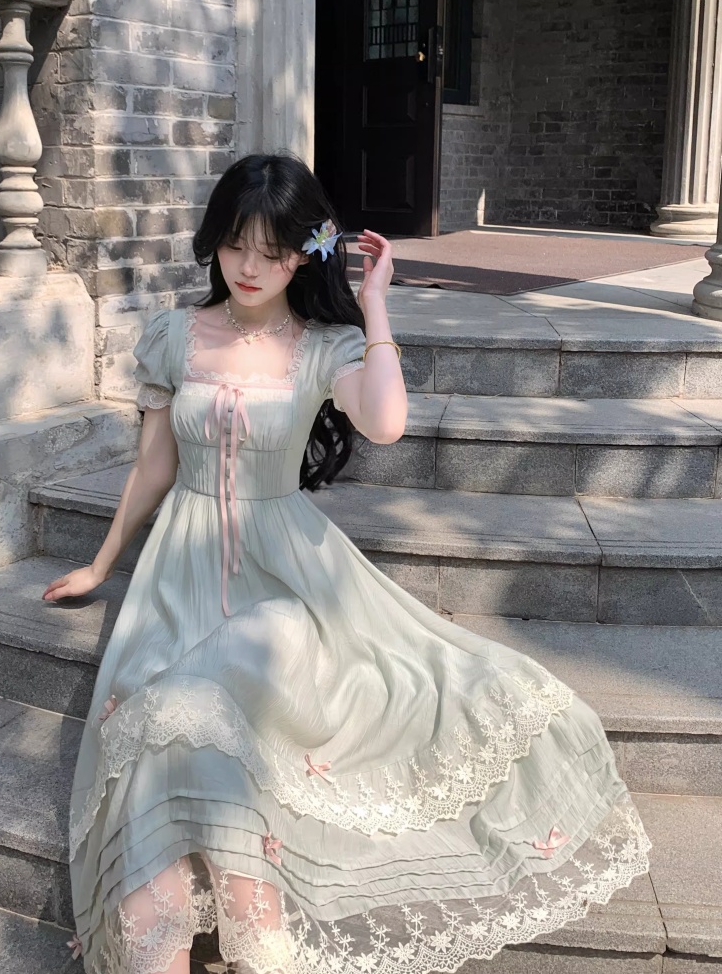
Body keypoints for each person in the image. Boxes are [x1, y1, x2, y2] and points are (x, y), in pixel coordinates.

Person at [44, 153, 651, 974]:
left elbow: (388, 422)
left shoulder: (323, 347)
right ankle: (215, 942)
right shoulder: (174, 336)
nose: (249, 267)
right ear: (214, 242)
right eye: (234, 245)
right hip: (176, 573)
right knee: (167, 729)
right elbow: (154, 467)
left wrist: (376, 304)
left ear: (305, 254)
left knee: (186, 706)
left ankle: (247, 937)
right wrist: (101, 563)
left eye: (272, 251)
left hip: (287, 579)